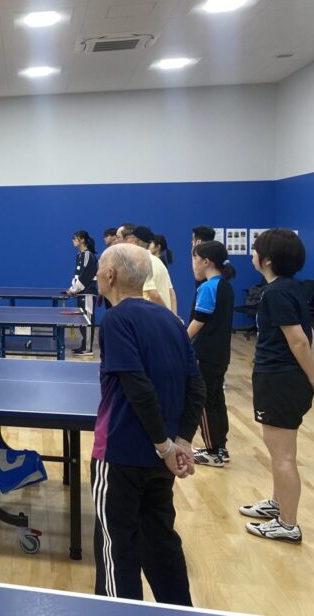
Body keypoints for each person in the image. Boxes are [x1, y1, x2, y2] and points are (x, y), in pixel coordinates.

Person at [93, 243, 205, 605]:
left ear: (110, 275)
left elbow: (137, 386)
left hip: (120, 453)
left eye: (100, 268)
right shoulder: (171, 321)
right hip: (161, 461)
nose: (96, 274)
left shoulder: (115, 320)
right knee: (160, 541)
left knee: (117, 548)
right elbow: (196, 385)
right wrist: (181, 441)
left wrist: (165, 446)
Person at [240, 229, 313, 543]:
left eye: (256, 250)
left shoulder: (276, 293)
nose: (252, 254)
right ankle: (278, 503)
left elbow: (299, 340)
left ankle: (288, 524)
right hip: (280, 378)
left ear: (267, 259)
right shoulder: (289, 287)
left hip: (280, 380)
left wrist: (313, 377)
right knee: (279, 451)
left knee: (283, 456)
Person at [187, 241, 235, 468]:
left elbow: (199, 321)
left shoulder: (208, 288)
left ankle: (213, 451)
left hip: (205, 353)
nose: (193, 263)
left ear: (206, 262)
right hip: (221, 354)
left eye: (195, 258)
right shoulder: (225, 285)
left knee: (204, 401)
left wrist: (181, 341)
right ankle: (220, 448)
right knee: (216, 400)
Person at [126, 225, 177, 314]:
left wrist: (168, 316)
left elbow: (154, 294)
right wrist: (173, 316)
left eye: (128, 238)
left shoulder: (142, 263)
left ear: (135, 241)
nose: (125, 242)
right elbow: (171, 293)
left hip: (152, 317)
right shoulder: (159, 262)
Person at [67, 230, 97, 356]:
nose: (73, 240)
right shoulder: (79, 255)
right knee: (82, 321)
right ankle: (84, 345)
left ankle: (87, 349)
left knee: (87, 320)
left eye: (75, 238)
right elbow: (77, 275)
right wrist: (72, 288)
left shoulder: (87, 255)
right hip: (81, 293)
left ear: (82, 240)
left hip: (88, 293)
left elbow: (85, 275)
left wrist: (74, 289)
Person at [189, 226, 217, 322]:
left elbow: (198, 276)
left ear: (199, 241)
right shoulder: (215, 252)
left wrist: (194, 253)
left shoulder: (205, 257)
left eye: (193, 239)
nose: (192, 242)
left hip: (204, 299)